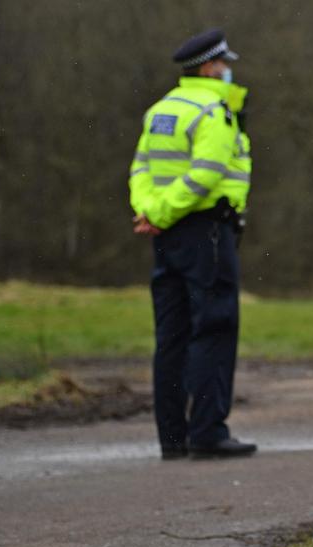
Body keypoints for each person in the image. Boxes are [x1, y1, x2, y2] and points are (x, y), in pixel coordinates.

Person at [128, 29, 256, 459]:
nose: (228, 71)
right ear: (209, 67)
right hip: (205, 231)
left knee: (172, 334)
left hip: (165, 236)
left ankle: (172, 437)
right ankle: (208, 432)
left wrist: (151, 212)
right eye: (224, 64)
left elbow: (140, 169)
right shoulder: (213, 111)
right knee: (213, 328)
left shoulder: (161, 110)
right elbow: (204, 175)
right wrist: (164, 213)